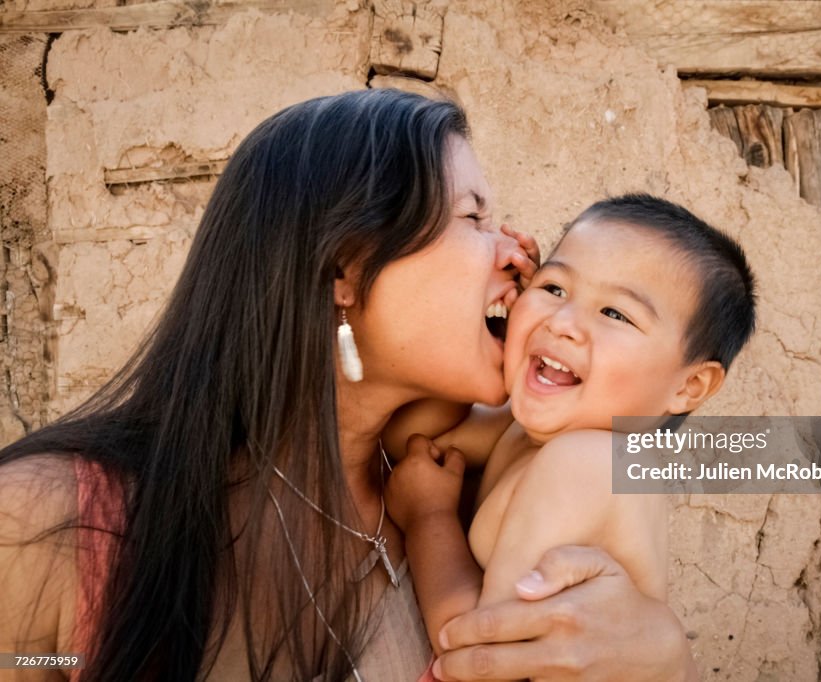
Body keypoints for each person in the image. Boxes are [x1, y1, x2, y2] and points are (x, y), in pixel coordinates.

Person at [0, 90, 695, 681]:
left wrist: (668, 654)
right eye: (476, 218)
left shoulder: (471, 482)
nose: (524, 253)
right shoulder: (46, 527)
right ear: (346, 269)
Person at [383, 195, 756, 678]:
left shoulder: (590, 464)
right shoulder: (528, 430)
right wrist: (501, 326)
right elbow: (409, 437)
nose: (562, 324)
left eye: (615, 314)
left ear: (689, 385)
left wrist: (428, 517)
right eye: (555, 287)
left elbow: (481, 651)